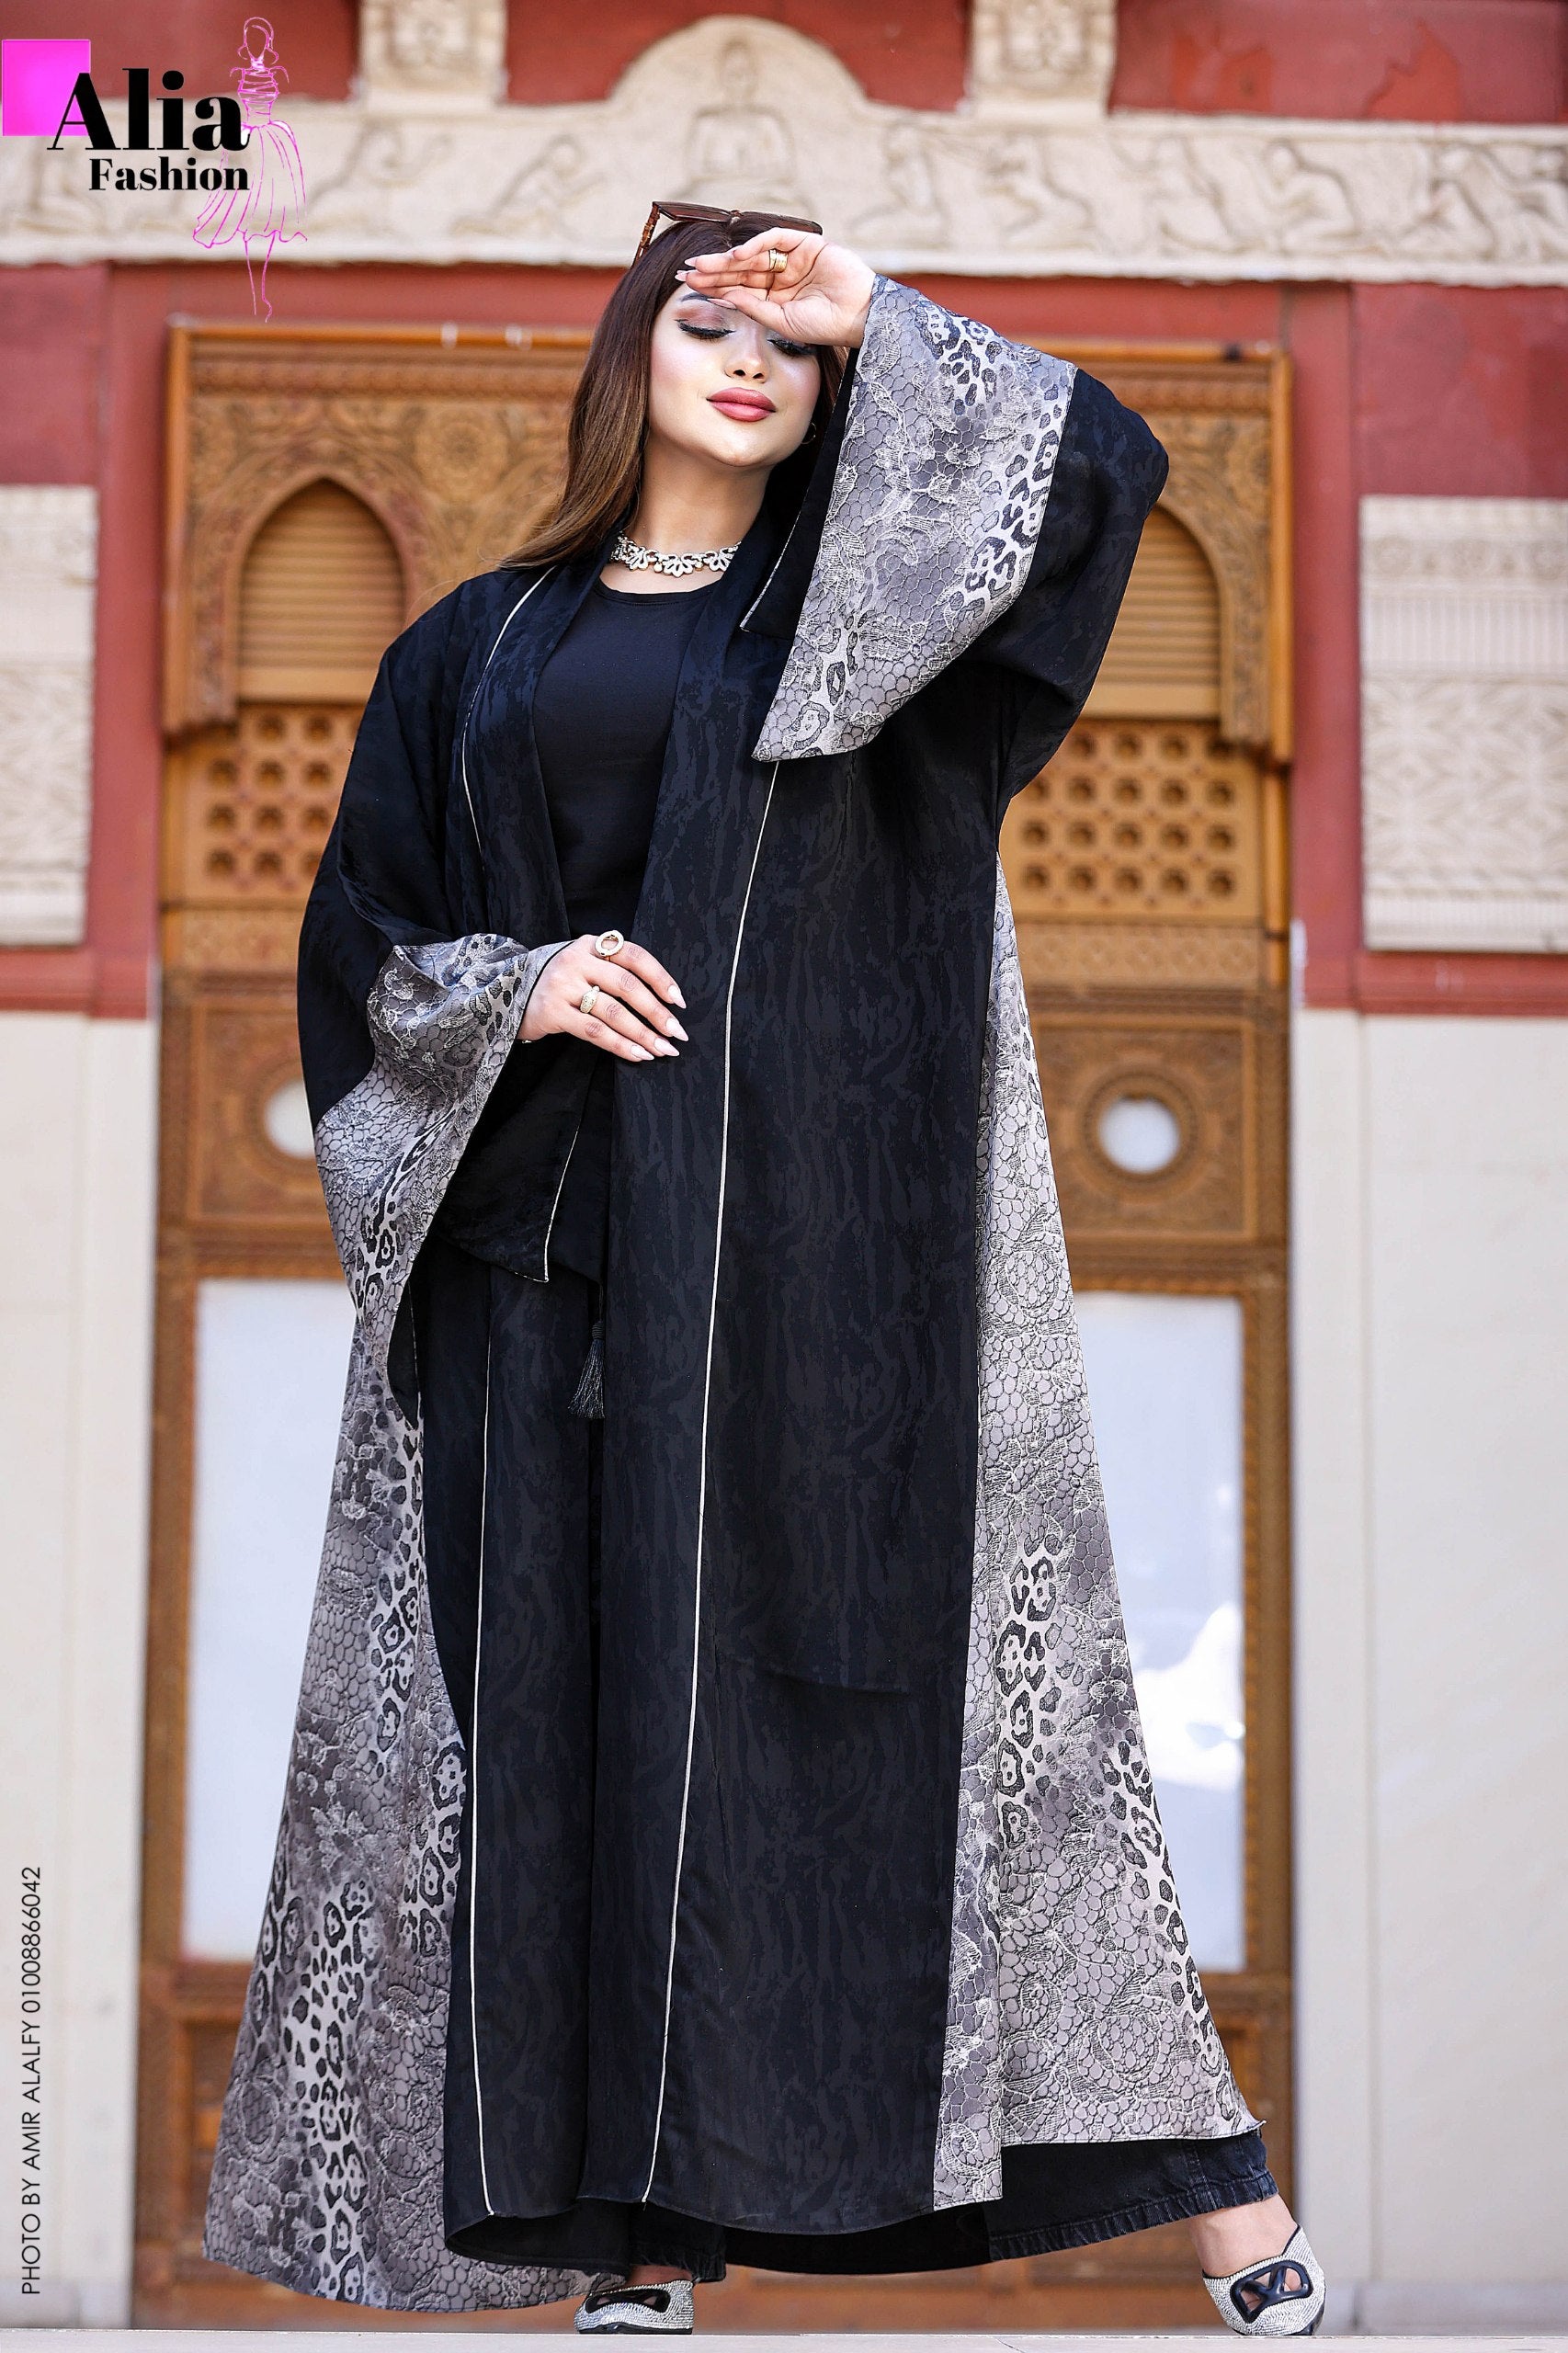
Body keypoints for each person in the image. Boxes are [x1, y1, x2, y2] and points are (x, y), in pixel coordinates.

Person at [204, 204, 1326, 2341]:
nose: (748, 359)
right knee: (572, 1755)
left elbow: (1091, 474)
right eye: (705, 319)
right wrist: (518, 985)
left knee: (947, 1756)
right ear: (629, 354)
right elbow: (363, 940)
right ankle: (637, 2245)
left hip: (828, 1292)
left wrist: (875, 307)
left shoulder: (878, 636)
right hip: (544, 1283)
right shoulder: (470, 646)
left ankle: (1224, 2207)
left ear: (836, 394)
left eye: (788, 343)